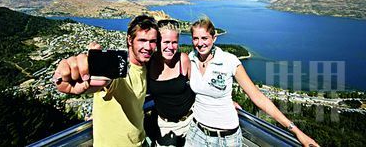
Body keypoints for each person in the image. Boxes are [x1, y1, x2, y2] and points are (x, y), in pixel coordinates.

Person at [185, 16, 319, 147]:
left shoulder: (229, 61)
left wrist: (296, 131)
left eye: (204, 38)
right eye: (196, 38)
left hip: (225, 139)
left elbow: (258, 97)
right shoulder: (191, 59)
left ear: (214, 38)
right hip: (196, 133)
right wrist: (225, 100)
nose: (200, 43)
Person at [53, 15, 159, 147]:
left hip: (141, 142)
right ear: (130, 40)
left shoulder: (145, 67)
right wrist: (70, 79)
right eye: (142, 40)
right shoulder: (116, 68)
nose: (148, 47)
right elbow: (103, 82)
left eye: (152, 41)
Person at [147, 19, 195, 146]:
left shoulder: (183, 60)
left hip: (190, 122)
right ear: (157, 42)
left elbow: (199, 87)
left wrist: (225, 101)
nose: (171, 47)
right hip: (164, 125)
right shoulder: (149, 63)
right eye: (166, 42)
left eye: (174, 42)